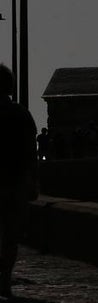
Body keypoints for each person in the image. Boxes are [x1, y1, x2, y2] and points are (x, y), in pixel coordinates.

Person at [0, 64, 36, 298]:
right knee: (10, 237)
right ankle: (3, 282)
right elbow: (30, 152)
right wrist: (32, 183)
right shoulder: (21, 114)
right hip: (13, 183)